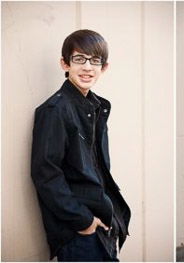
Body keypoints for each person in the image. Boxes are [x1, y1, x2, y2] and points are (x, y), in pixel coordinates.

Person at [31, 29, 130, 261]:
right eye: (79, 59)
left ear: (104, 67)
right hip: (79, 232)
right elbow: (45, 174)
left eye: (95, 61)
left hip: (103, 222)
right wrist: (83, 221)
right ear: (64, 64)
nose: (87, 67)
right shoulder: (55, 110)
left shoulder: (95, 108)